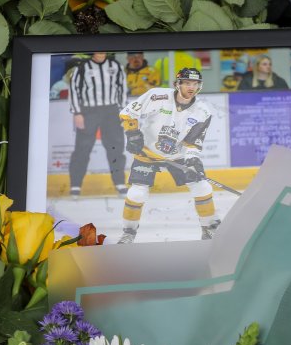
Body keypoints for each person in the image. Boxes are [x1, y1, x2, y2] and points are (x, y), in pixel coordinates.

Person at [117, 67, 220, 243]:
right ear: (177, 84)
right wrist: (132, 133)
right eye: (187, 83)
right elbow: (128, 113)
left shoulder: (203, 111)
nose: (191, 87)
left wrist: (192, 160)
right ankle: (128, 233)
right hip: (147, 153)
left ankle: (209, 229)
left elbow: (193, 141)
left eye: (195, 84)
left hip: (178, 156)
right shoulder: (157, 95)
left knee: (202, 187)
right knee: (137, 194)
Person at [66, 52, 128, 197]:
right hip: (89, 112)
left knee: (115, 147)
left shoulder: (116, 66)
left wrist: (123, 110)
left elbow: (122, 89)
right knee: (82, 148)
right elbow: (74, 90)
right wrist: (77, 112)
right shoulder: (82, 67)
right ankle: (75, 185)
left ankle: (120, 183)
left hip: (111, 111)